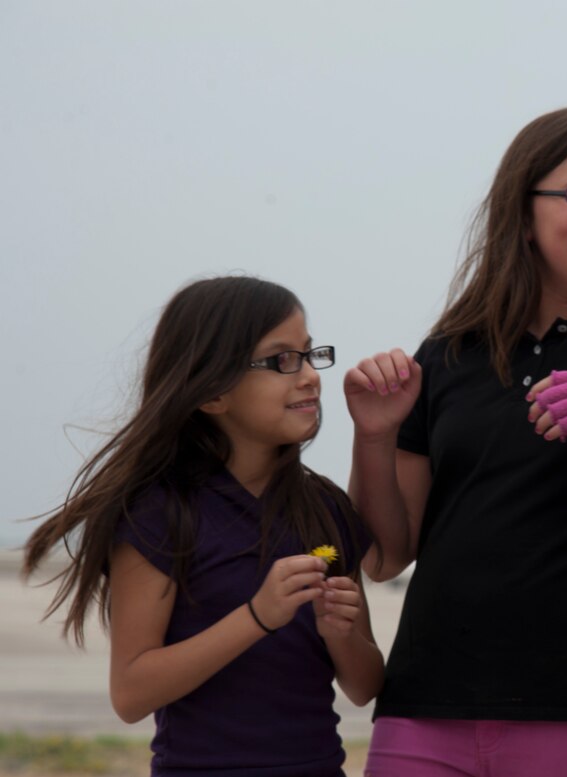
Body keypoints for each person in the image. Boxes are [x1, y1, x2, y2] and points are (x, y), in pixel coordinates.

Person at [344, 106, 567, 777]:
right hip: (425, 707)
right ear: (521, 212)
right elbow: (386, 554)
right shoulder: (450, 353)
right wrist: (373, 437)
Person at [22, 276, 383, 776]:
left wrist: (339, 633)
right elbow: (130, 693)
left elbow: (365, 687)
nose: (308, 376)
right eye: (281, 360)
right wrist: (258, 616)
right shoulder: (160, 513)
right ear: (213, 393)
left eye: (308, 354)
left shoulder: (325, 508)